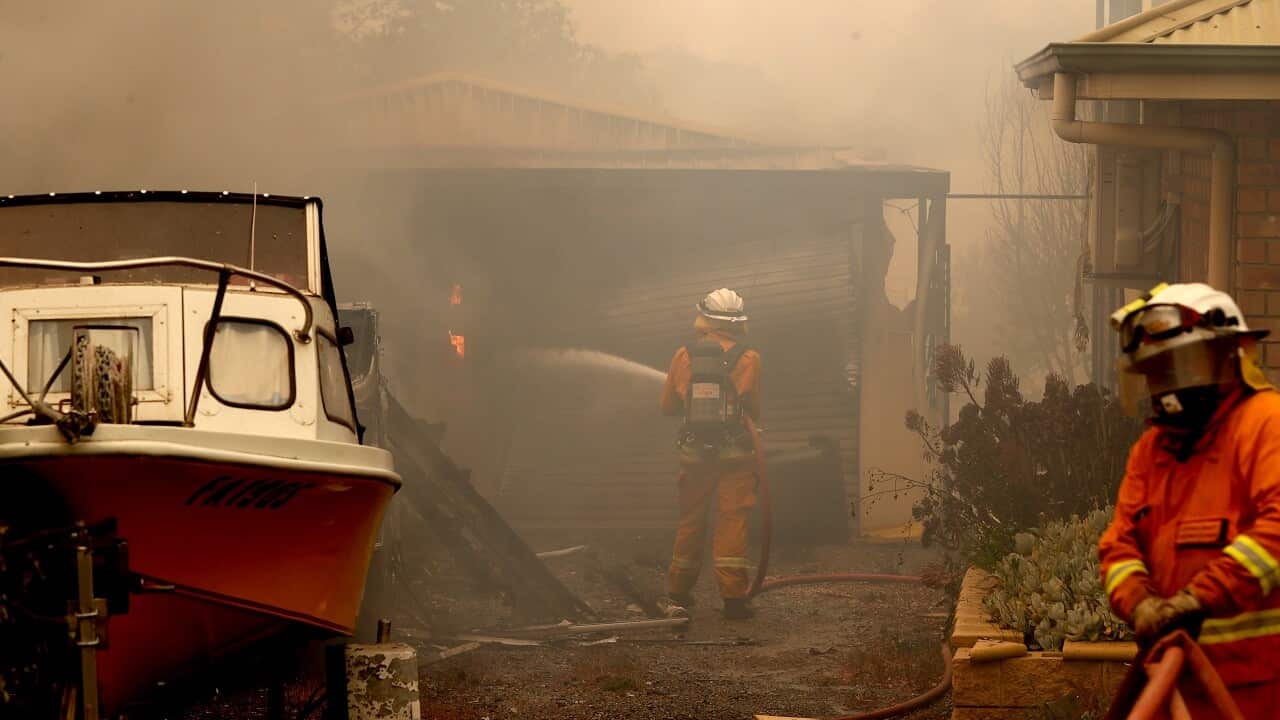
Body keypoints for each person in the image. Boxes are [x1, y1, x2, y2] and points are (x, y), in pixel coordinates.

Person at [1099, 282, 1280, 716]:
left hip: (1260, 692)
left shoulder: (1265, 424)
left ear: (1227, 355)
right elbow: (1118, 546)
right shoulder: (1151, 451)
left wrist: (1198, 599)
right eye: (1156, 373)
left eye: (1179, 366)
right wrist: (1140, 603)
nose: (1167, 386)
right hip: (1174, 689)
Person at [660, 288, 762, 620]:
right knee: (732, 522)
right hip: (735, 457)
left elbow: (668, 406)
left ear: (704, 318)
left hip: (695, 456)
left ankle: (678, 592)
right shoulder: (749, 358)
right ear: (738, 322)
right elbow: (753, 408)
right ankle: (733, 599)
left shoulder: (683, 355)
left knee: (691, 520)